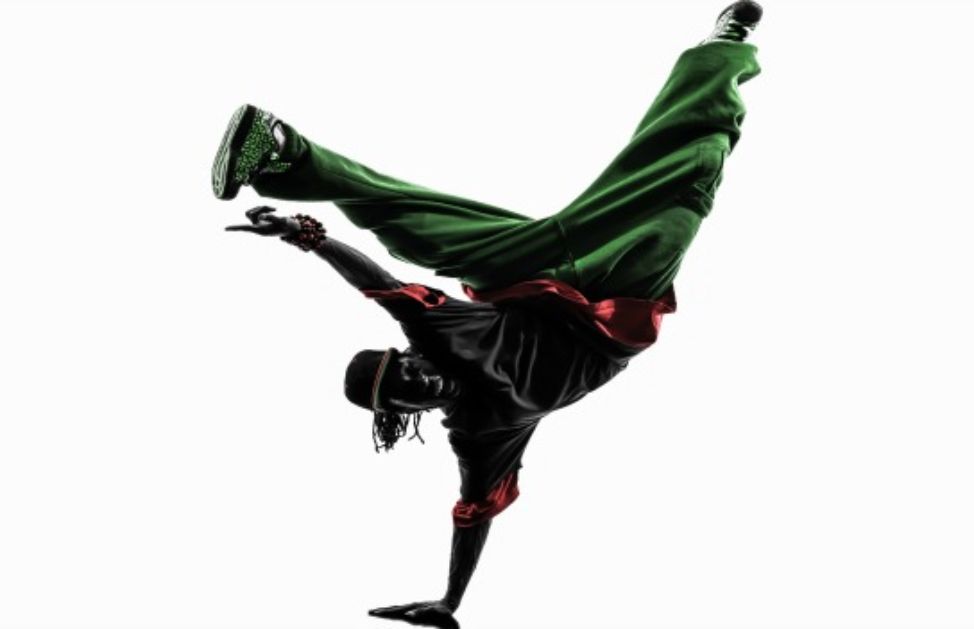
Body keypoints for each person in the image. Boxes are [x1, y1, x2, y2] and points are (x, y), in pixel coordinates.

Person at [217, 3, 763, 627]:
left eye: (409, 371)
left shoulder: (440, 338)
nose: (422, 381)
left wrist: (304, 236)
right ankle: (724, 48)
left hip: (532, 275)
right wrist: (450, 600)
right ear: (410, 415)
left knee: (423, 236)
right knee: (687, 183)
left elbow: (379, 285)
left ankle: (279, 150)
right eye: (409, 395)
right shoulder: (481, 432)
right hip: (618, 306)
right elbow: (472, 515)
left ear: (409, 356)